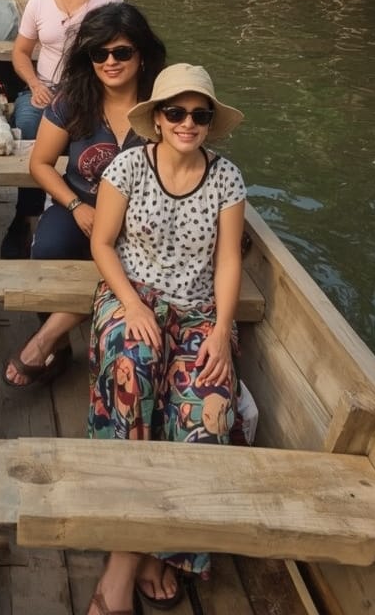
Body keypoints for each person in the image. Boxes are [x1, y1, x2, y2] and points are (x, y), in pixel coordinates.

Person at [85, 63, 247, 615]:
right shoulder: (128, 166)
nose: (187, 124)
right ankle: (125, 549)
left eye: (199, 115)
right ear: (156, 118)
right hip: (131, 297)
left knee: (210, 410)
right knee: (133, 367)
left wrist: (221, 332)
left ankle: (168, 547)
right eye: (175, 112)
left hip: (200, 312)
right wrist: (131, 305)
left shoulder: (226, 178)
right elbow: (103, 243)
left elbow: (228, 260)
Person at [2, 3, 165, 389]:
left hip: (143, 216)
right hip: (79, 201)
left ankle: (47, 338)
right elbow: (40, 163)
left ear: (141, 55)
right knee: (47, 252)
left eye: (121, 52)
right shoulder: (73, 99)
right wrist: (75, 206)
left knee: (133, 264)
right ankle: (61, 344)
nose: (110, 62)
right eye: (99, 53)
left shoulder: (163, 104)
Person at [4, 0, 122, 257]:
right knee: (28, 124)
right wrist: (34, 84)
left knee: (105, 138)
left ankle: (101, 204)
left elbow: (121, 52)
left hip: (95, 91)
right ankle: (27, 214)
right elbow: (20, 53)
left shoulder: (110, 1)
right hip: (45, 87)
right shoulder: (39, 1)